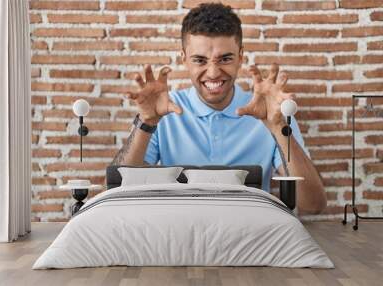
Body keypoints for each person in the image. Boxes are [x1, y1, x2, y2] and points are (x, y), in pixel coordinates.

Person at [112, 3, 326, 214]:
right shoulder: (163, 111)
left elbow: (312, 205)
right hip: (180, 232)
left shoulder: (271, 111)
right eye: (200, 60)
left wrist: (278, 126)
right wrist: (146, 122)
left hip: (252, 234)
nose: (213, 73)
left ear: (240, 57)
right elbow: (117, 190)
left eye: (225, 59)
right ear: (184, 58)